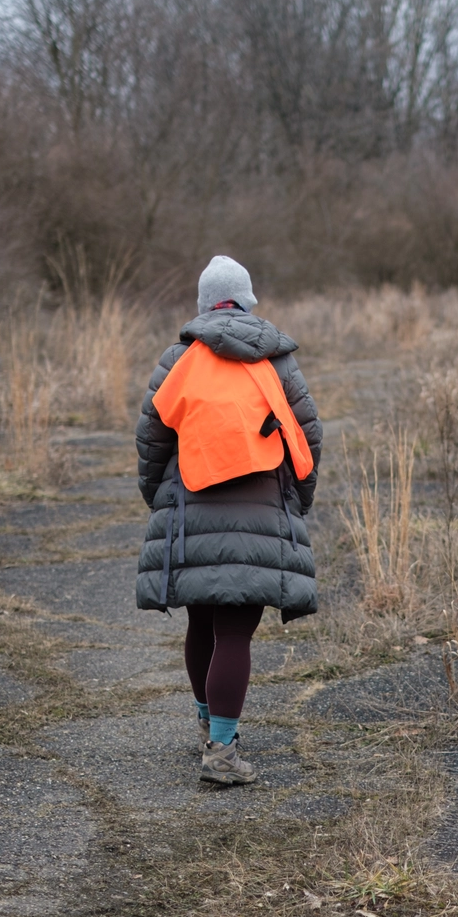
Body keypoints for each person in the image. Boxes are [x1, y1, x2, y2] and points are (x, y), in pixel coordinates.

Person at [134, 255, 322, 785]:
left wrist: (160, 500)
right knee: (236, 632)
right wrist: (296, 501)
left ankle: (206, 727)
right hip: (261, 509)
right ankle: (221, 751)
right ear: (246, 302)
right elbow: (309, 436)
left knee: (202, 622)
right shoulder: (277, 361)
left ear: (203, 304)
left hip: (191, 507)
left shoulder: (179, 359)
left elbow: (151, 438)